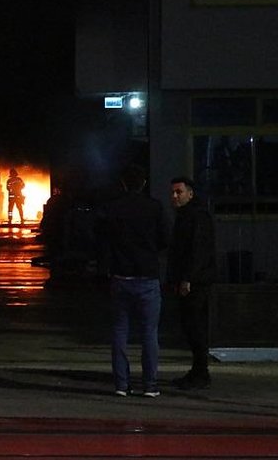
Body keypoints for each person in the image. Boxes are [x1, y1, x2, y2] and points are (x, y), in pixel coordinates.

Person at [97, 164, 168, 397]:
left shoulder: (112, 208)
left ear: (123, 183)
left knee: (120, 331)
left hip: (120, 275)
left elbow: (103, 240)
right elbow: (164, 239)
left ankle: (121, 384)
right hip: (147, 276)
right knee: (149, 332)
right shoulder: (154, 207)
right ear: (144, 183)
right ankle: (150, 385)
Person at [167, 176, 216, 390]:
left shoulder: (196, 216)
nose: (174, 196)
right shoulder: (187, 215)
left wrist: (188, 278)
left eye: (179, 192)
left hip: (196, 282)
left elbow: (198, 250)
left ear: (190, 193)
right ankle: (198, 371)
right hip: (191, 279)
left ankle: (201, 372)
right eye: (173, 192)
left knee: (195, 326)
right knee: (191, 326)